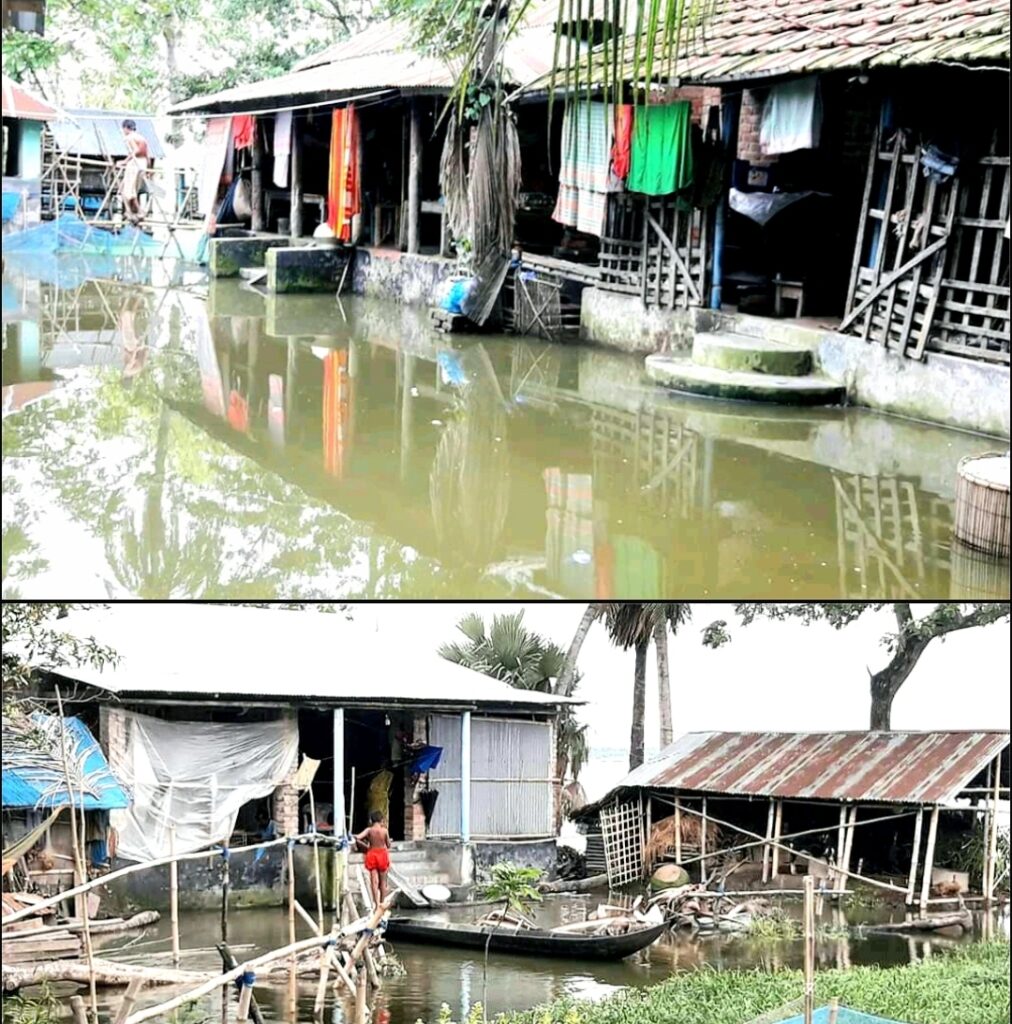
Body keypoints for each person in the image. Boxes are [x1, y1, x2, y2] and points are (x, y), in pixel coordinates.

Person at [355, 810, 391, 907]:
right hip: (382, 854)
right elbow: (388, 845)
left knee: (374, 881)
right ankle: (382, 903)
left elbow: (357, 838)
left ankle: (376, 903)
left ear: (371, 820)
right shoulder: (385, 831)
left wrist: (365, 847)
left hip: (372, 854)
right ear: (381, 820)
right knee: (383, 881)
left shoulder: (369, 830)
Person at [119, 120, 149, 226]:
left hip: (135, 163)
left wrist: (125, 161)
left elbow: (135, 150)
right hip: (142, 163)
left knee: (128, 191)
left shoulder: (129, 137)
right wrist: (148, 168)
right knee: (128, 190)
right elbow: (147, 155)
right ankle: (130, 212)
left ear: (126, 128)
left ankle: (136, 212)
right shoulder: (142, 138)